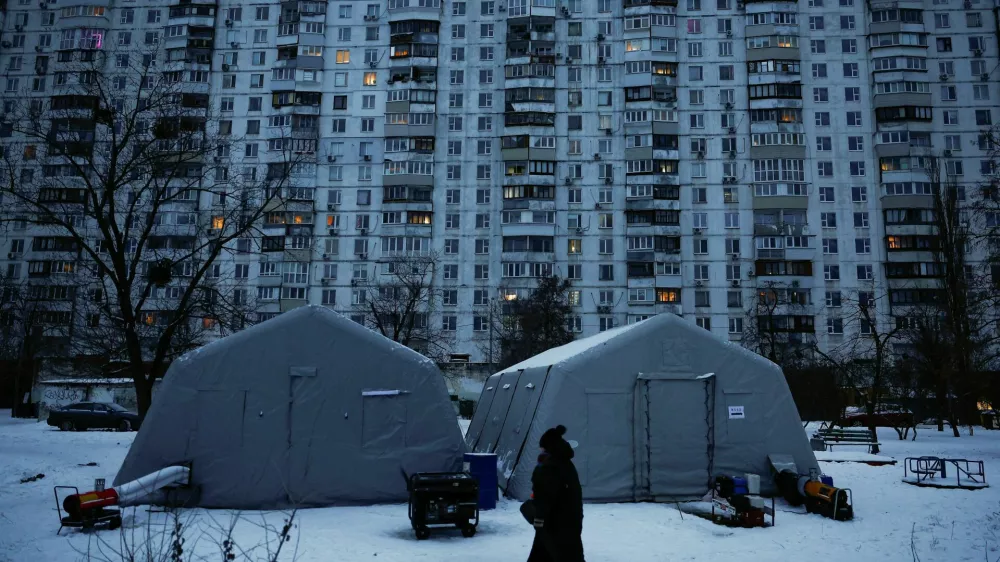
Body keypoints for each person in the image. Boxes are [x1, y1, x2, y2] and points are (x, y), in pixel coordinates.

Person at [527, 425, 584, 562]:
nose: (540, 450)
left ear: (547, 447)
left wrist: (538, 519)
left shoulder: (550, 467)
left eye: (542, 447)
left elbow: (544, 497)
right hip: (570, 520)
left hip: (554, 524)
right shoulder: (566, 463)